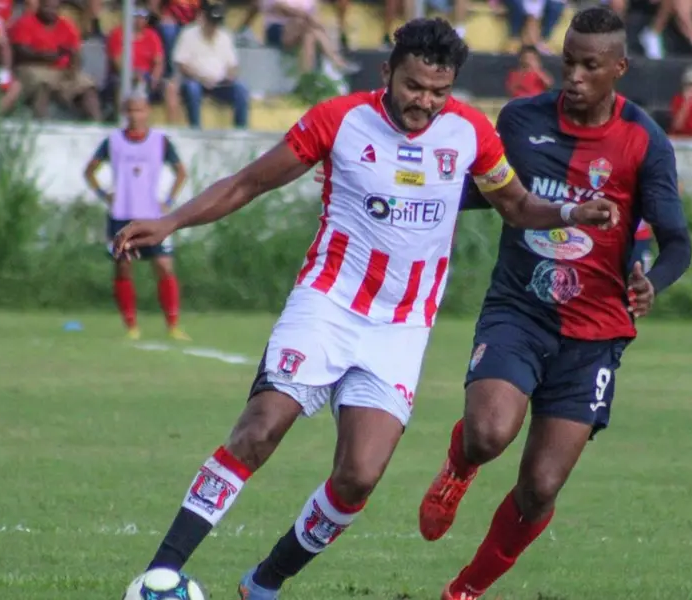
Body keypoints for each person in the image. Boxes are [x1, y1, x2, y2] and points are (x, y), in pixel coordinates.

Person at [110, 17, 618, 600]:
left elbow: (517, 205)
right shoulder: (341, 120)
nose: (424, 101)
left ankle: (263, 584)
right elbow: (249, 183)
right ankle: (160, 575)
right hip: (326, 306)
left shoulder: (471, 133)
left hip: (401, 329)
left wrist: (570, 214)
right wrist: (170, 221)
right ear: (387, 73)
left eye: (437, 91)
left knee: (358, 478)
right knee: (260, 429)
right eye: (413, 86)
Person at [414, 8, 692, 600]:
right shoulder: (519, 120)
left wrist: (654, 281)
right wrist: (399, 184)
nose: (574, 75)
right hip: (520, 308)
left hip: (595, 332)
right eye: (568, 61)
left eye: (590, 66)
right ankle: (459, 468)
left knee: (540, 485)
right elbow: (478, 192)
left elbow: (678, 242)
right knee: (489, 433)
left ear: (619, 67)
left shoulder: (644, 141)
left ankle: (463, 591)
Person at [84, 91, 189, 341]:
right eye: (130, 110)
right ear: (124, 112)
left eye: (140, 110)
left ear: (148, 111)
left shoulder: (160, 141)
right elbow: (90, 170)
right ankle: (131, 326)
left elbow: (181, 172)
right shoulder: (113, 142)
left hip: (153, 216)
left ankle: (173, 325)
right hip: (122, 214)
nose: (135, 115)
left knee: (164, 266)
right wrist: (103, 193)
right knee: (123, 268)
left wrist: (170, 201)